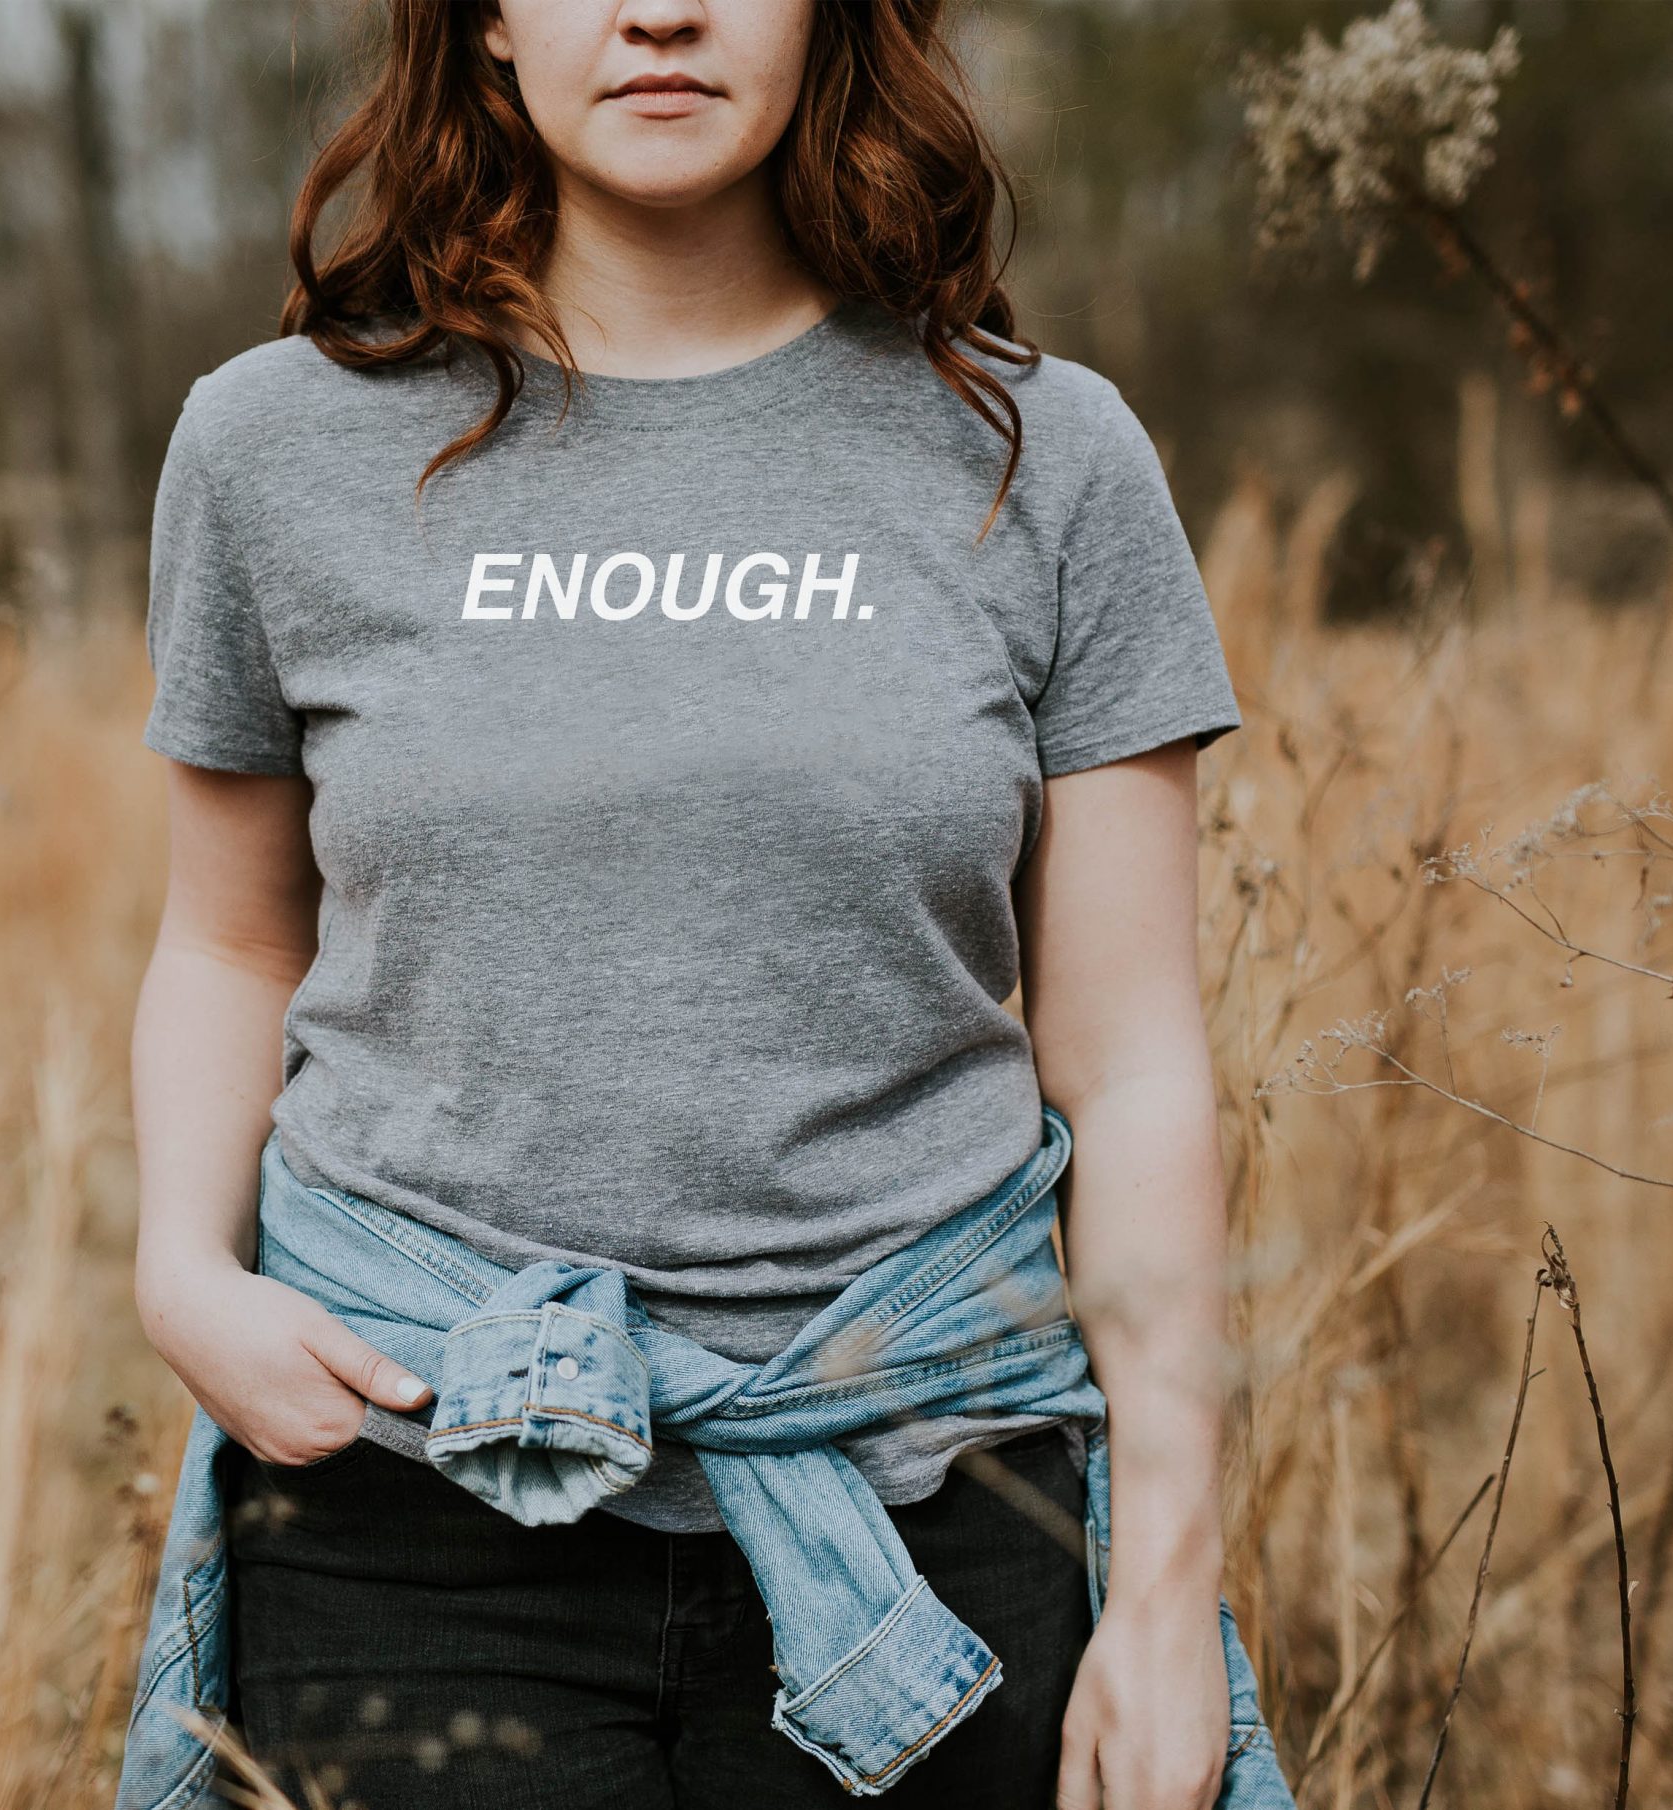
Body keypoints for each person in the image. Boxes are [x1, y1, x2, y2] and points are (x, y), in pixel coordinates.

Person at [120, 4, 1291, 1809]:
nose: (661, 10)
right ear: (492, 22)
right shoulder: (277, 444)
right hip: (411, 1496)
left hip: (932, 1510)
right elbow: (229, 938)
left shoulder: (1047, 455)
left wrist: (1165, 1586)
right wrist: (183, 1273)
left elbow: (1131, 1064)